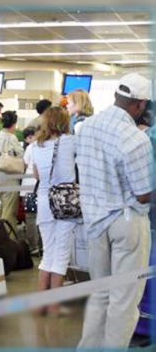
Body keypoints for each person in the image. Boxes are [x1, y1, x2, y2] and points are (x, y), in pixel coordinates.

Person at [77, 73, 152, 349]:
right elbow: (143, 194)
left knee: (100, 294)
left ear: (116, 97)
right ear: (140, 105)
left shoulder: (87, 127)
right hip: (126, 223)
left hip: (95, 222)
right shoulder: (136, 138)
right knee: (124, 299)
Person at [30, 107, 77, 315]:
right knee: (62, 255)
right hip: (65, 202)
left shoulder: (34, 146)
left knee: (48, 252)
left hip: (44, 202)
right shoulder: (71, 142)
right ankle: (54, 306)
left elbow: (37, 175)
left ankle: (41, 304)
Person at [0, 111, 24, 232]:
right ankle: (9, 241)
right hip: (9, 177)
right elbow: (21, 155)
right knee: (8, 212)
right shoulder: (12, 138)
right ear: (14, 124)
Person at [20, 126, 40, 255]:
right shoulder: (46, 146)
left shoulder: (30, 148)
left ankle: (33, 246)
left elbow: (25, 164)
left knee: (31, 217)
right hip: (41, 187)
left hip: (29, 187)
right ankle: (43, 246)